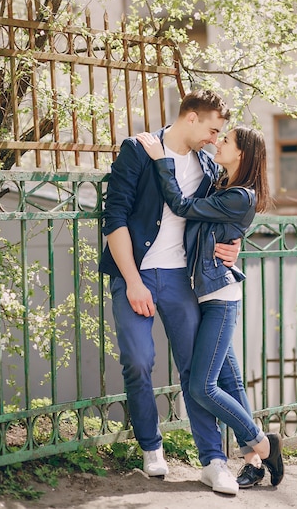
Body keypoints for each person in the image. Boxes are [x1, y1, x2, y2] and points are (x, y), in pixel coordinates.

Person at [99, 89, 242, 495]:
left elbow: (222, 214)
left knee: (194, 370)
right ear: (191, 117)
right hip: (135, 273)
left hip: (182, 278)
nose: (216, 139)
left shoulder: (207, 166)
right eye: (213, 130)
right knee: (138, 360)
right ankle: (151, 445)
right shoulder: (139, 149)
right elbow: (115, 218)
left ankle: (214, 461)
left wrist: (233, 245)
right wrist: (133, 281)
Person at [136, 125, 284, 491]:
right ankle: (253, 457)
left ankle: (264, 443)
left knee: (202, 387)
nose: (218, 142)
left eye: (226, 140)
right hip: (200, 293)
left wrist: (161, 162)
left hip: (219, 298)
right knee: (230, 381)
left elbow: (184, 207)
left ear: (243, 154)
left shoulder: (240, 195)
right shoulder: (219, 183)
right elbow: (216, 229)